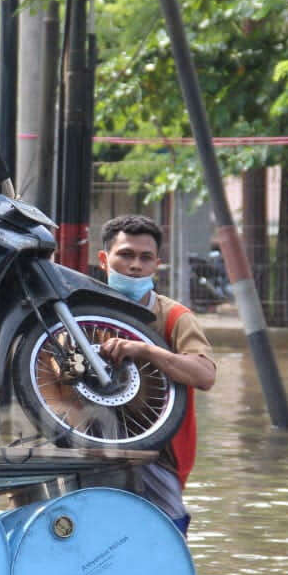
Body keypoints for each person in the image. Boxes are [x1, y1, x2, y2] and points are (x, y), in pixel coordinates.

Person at [96, 214, 216, 536]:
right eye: (125, 255)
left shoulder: (175, 317)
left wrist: (147, 351)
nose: (135, 265)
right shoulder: (82, 309)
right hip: (89, 444)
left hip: (157, 454)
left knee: (167, 535)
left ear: (156, 265)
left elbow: (205, 375)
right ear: (104, 259)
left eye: (145, 257)